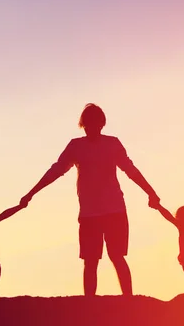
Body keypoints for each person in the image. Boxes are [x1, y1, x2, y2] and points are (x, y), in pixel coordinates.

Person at [20, 103, 160, 297]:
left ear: (102, 124)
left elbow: (130, 169)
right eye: (87, 124)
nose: (91, 127)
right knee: (90, 261)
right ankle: (89, 303)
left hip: (115, 210)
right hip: (89, 214)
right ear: (83, 124)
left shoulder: (112, 144)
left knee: (117, 257)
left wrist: (150, 192)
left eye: (95, 123)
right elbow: (56, 170)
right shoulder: (76, 146)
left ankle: (129, 300)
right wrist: (32, 192)